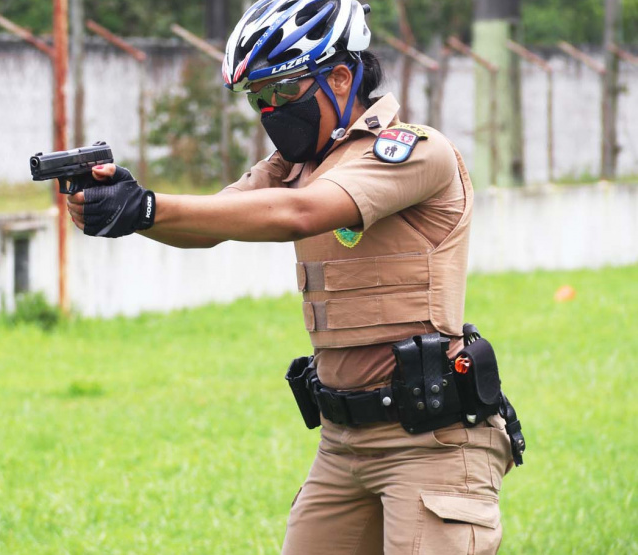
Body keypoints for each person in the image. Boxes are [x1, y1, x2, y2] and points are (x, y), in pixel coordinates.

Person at [66, 1, 523, 553]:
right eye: (258, 98)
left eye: (282, 90)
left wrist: (148, 208)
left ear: (338, 76)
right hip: (342, 442)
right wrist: (125, 208)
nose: (269, 111)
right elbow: (212, 223)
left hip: (431, 444)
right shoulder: (295, 165)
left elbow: (298, 214)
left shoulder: (412, 152)